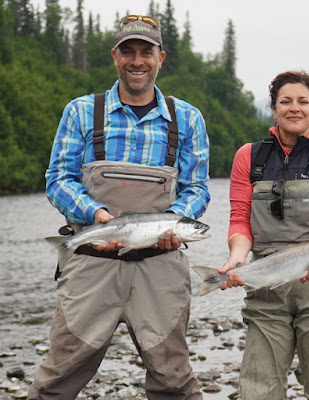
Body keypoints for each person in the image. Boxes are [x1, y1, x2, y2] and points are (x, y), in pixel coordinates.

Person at [28, 14, 210, 400]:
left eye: (147, 51)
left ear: (162, 57)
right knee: (55, 381)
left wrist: (175, 224)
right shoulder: (81, 112)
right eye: (128, 51)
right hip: (92, 263)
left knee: (174, 382)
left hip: (161, 268)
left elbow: (196, 189)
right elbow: (58, 180)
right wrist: (97, 216)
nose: (137, 60)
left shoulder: (188, 118)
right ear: (115, 56)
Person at [218, 71, 309, 399]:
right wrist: (238, 257)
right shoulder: (248, 157)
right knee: (257, 390)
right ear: (273, 108)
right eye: (286, 101)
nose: (295, 108)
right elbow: (240, 222)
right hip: (267, 285)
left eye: (303, 102)